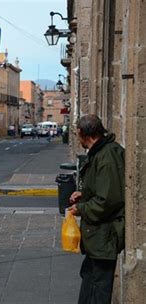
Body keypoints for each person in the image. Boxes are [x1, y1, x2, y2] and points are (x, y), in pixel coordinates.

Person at [68, 114, 125, 304]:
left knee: (99, 284)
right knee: (90, 276)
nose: (77, 138)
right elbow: (102, 186)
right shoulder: (100, 152)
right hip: (98, 236)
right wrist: (83, 194)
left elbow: (108, 199)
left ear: (86, 134)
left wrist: (82, 208)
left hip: (104, 234)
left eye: (78, 134)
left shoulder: (107, 156)